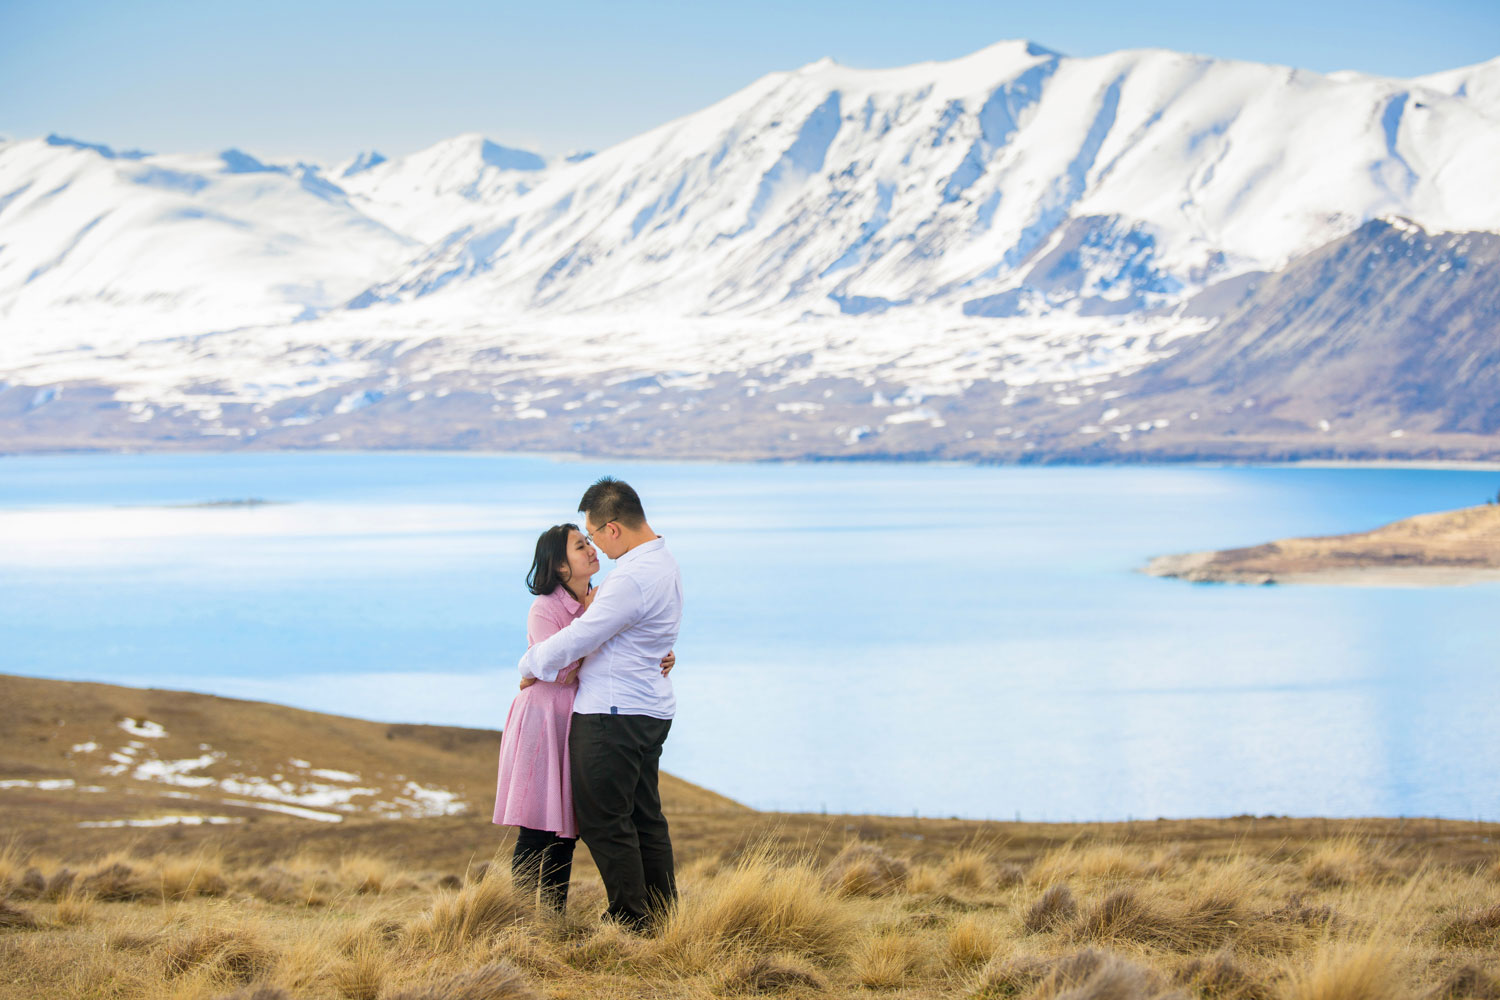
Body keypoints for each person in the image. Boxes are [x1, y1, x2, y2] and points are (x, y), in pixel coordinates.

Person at [517, 476, 682, 931]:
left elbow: (582, 636)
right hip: (644, 708)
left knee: (606, 820)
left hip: (614, 713)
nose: (594, 547)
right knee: (644, 817)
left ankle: (631, 919)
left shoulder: (629, 576)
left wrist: (531, 663)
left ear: (613, 528)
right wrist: (659, 655)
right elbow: (644, 632)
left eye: (592, 536)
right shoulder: (662, 562)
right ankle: (661, 915)